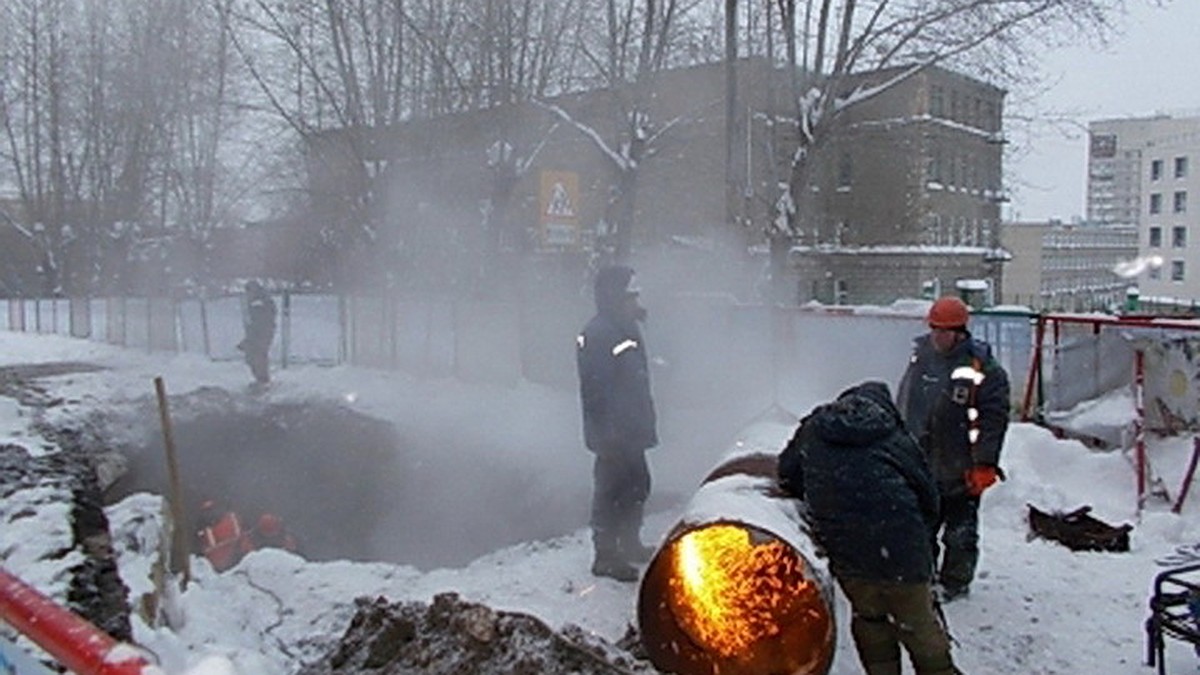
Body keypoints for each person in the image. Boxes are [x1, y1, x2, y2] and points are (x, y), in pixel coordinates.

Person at [778, 381, 958, 675]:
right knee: (918, 624)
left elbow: (787, 473)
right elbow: (928, 494)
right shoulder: (894, 437)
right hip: (903, 547)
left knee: (870, 619)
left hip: (848, 549)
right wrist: (925, 538)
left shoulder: (814, 430)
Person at [896, 295, 1010, 602]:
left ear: (960, 332)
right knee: (920, 528)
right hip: (921, 460)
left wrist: (984, 463)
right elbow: (905, 402)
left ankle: (955, 582)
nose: (937, 337)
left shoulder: (983, 369)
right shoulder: (921, 360)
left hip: (962, 465)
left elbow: (993, 420)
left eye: (944, 331)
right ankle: (922, 576)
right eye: (934, 329)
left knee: (960, 533)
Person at [576, 265, 658, 582]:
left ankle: (629, 542)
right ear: (614, 297)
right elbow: (597, 390)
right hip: (613, 432)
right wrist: (607, 434)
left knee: (637, 484)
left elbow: (632, 379)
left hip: (631, 428)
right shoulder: (600, 333)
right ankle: (606, 555)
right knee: (611, 489)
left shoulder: (625, 328)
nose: (635, 301)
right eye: (630, 296)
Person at [238, 280, 277, 386]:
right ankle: (261, 378)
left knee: (257, 356)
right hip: (261, 333)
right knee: (255, 356)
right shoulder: (261, 301)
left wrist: (250, 338)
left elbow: (260, 323)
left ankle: (262, 379)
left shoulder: (258, 303)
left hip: (261, 334)